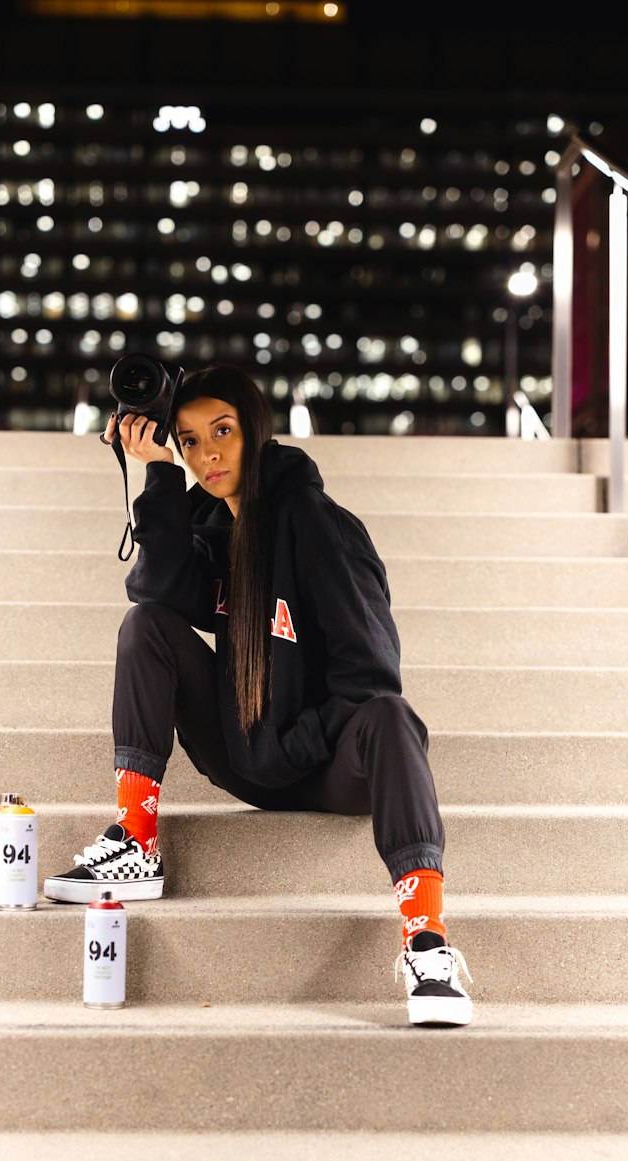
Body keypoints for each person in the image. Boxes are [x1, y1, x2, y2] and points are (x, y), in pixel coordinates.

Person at [44, 364, 474, 1026]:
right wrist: (158, 473)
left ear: (257, 430)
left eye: (223, 431)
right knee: (145, 628)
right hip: (244, 751)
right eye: (188, 441)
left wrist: (290, 746)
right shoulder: (211, 526)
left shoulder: (320, 525)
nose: (208, 454)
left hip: (331, 766)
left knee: (393, 717)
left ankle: (428, 945)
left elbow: (370, 674)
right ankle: (136, 839)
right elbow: (157, 591)